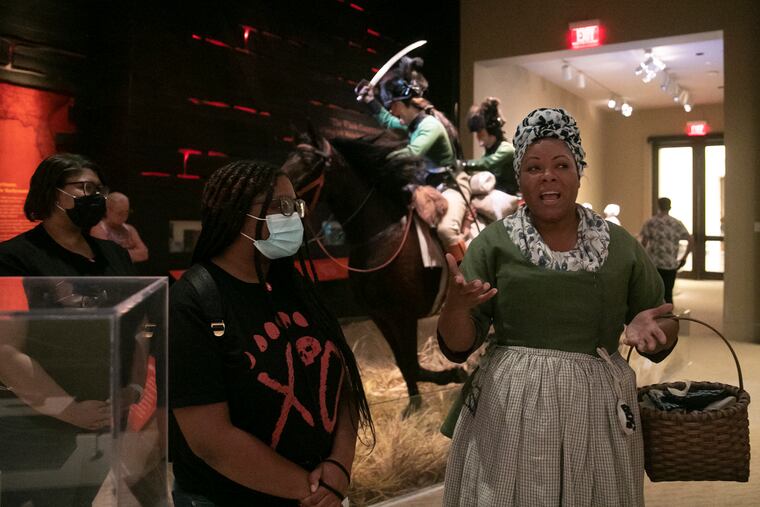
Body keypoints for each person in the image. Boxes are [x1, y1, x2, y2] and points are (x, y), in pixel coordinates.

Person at [437, 108, 679, 506]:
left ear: (579, 172)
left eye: (561, 165)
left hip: (596, 407)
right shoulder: (493, 244)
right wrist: (454, 307)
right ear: (520, 177)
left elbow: (664, 322)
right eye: (533, 167)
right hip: (512, 406)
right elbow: (459, 344)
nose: (548, 175)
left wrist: (652, 332)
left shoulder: (618, 246)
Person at [169, 160, 374, 506]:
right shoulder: (194, 302)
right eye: (281, 207)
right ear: (233, 213)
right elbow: (210, 440)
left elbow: (342, 386)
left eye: (296, 206)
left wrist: (339, 466)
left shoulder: (296, 287)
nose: (293, 216)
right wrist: (312, 491)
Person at [0, 153, 138, 507]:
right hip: (40, 424)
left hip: (106, 415)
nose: (96, 197)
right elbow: (6, 350)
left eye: (99, 189)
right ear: (53, 193)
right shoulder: (15, 257)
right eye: (84, 188)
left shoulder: (114, 254)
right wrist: (69, 409)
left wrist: (132, 388)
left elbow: (137, 325)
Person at [356, 57, 472, 262]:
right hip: (429, 186)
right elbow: (389, 121)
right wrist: (370, 101)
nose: (391, 111)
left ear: (401, 103)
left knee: (446, 231)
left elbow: (412, 152)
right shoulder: (417, 124)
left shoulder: (429, 126)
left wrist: (373, 159)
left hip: (452, 185)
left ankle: (468, 278)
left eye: (393, 106)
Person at [639, 197, 693, 304]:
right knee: (668, 293)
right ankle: (668, 316)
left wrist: (642, 259)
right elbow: (690, 240)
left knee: (655, 293)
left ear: (658, 206)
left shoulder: (650, 222)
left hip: (654, 263)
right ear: (670, 207)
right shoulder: (676, 223)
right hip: (670, 264)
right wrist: (684, 257)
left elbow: (644, 243)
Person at [464, 97, 518, 195]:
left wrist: (463, 164)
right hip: (494, 195)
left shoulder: (507, 149)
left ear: (491, 129)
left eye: (480, 131)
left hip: (507, 198)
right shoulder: (488, 152)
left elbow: (488, 163)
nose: (478, 136)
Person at [90, 191, 149, 263]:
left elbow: (144, 254)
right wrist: (133, 253)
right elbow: (108, 256)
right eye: (120, 213)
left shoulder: (130, 229)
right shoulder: (99, 230)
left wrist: (118, 254)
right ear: (108, 210)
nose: (124, 217)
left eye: (126, 212)